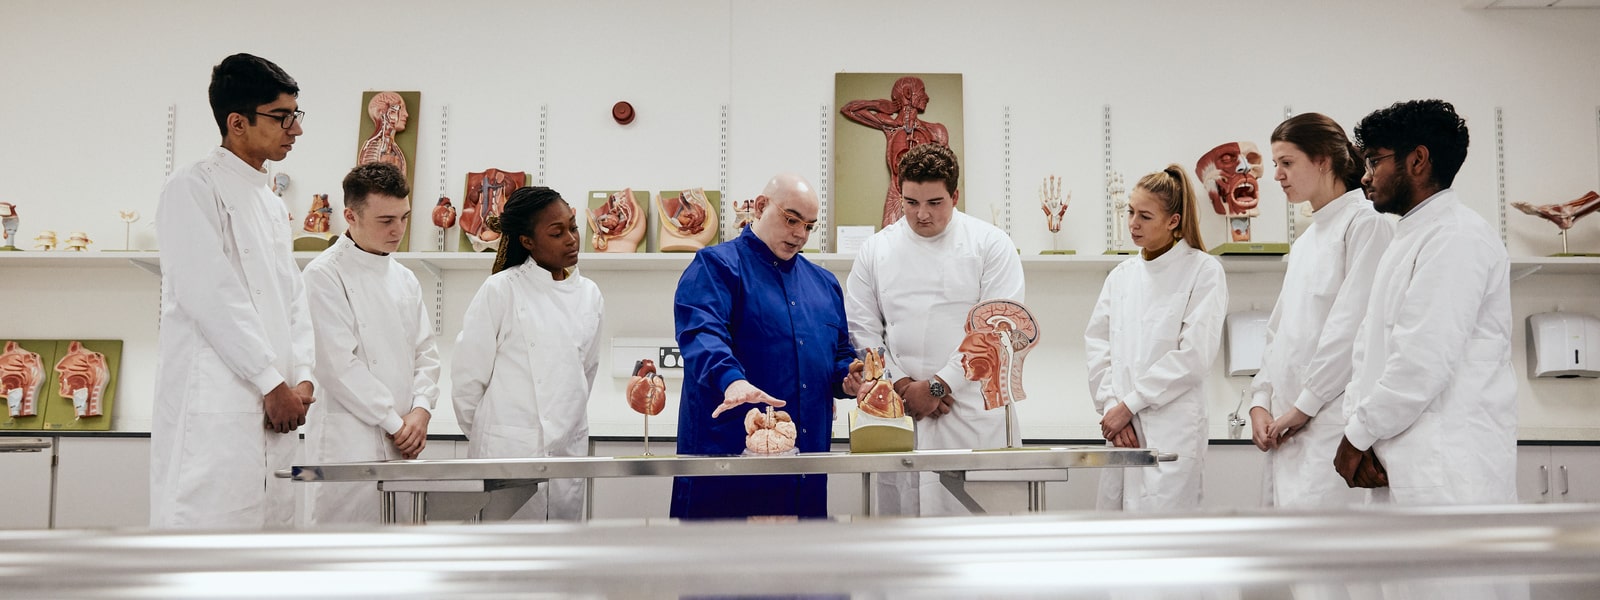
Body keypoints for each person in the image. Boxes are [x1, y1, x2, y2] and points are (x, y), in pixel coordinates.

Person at [150, 53, 315, 529]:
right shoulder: (191, 187)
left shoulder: (269, 202)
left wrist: (301, 375)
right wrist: (269, 380)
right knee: (206, 544)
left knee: (266, 552)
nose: (295, 129)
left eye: (295, 115)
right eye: (282, 117)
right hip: (218, 407)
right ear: (237, 122)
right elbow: (211, 295)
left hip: (277, 407)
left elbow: (292, 299)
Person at [1337, 99, 1517, 505]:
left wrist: (1356, 436)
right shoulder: (1411, 236)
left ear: (1418, 160)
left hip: (1449, 470)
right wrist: (1357, 427)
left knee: (1453, 570)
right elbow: (1371, 352)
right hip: (1403, 460)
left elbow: (1421, 360)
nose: (1365, 178)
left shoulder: (1456, 237)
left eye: (1373, 162)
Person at [844, 143, 1024, 516]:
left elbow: (995, 333)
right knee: (900, 541)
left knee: (974, 543)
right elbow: (862, 329)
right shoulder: (876, 250)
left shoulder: (991, 244)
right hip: (899, 414)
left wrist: (938, 385)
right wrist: (902, 386)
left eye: (934, 203)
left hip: (972, 411)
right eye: (910, 202)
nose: (921, 214)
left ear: (955, 196)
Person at [672, 173, 863, 520]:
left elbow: (838, 357)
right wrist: (733, 381)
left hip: (805, 470)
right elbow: (702, 334)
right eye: (791, 220)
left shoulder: (824, 284)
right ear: (760, 207)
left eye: (809, 226)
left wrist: (848, 378)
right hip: (728, 464)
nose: (800, 234)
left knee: (801, 569)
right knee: (719, 570)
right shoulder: (716, 267)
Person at [1247, 113, 1395, 509]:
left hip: (1328, 423)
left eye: (1287, 162)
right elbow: (1279, 333)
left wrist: (1304, 406)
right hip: (1287, 427)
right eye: (1275, 163)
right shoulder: (1307, 240)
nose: (1276, 174)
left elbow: (1352, 329)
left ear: (1323, 160)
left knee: (1330, 564)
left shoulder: (1366, 224)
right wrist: (1260, 400)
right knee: (1289, 561)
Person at [452, 186, 602, 521]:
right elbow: (467, 379)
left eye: (573, 227)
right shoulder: (502, 289)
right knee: (503, 561)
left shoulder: (589, 295)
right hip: (507, 453)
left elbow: (585, 372)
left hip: (567, 453)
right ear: (527, 242)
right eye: (557, 232)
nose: (572, 239)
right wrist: (493, 434)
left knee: (559, 562)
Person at [302, 162, 440, 524]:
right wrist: (395, 423)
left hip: (404, 440)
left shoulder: (405, 279)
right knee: (342, 558)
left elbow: (425, 353)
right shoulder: (323, 275)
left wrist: (422, 410)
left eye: (404, 218)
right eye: (385, 221)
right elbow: (336, 366)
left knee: (400, 556)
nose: (398, 230)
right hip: (349, 442)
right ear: (350, 215)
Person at [1084, 165, 1228, 512]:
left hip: (1171, 428)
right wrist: (1111, 411)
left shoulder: (1203, 271)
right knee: (1116, 535)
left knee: (1166, 536)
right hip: (1122, 431)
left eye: (1145, 216)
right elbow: (1098, 347)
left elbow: (1193, 357)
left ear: (1173, 220)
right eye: (1130, 212)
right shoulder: (1121, 276)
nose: (1133, 223)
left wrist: (1129, 405)